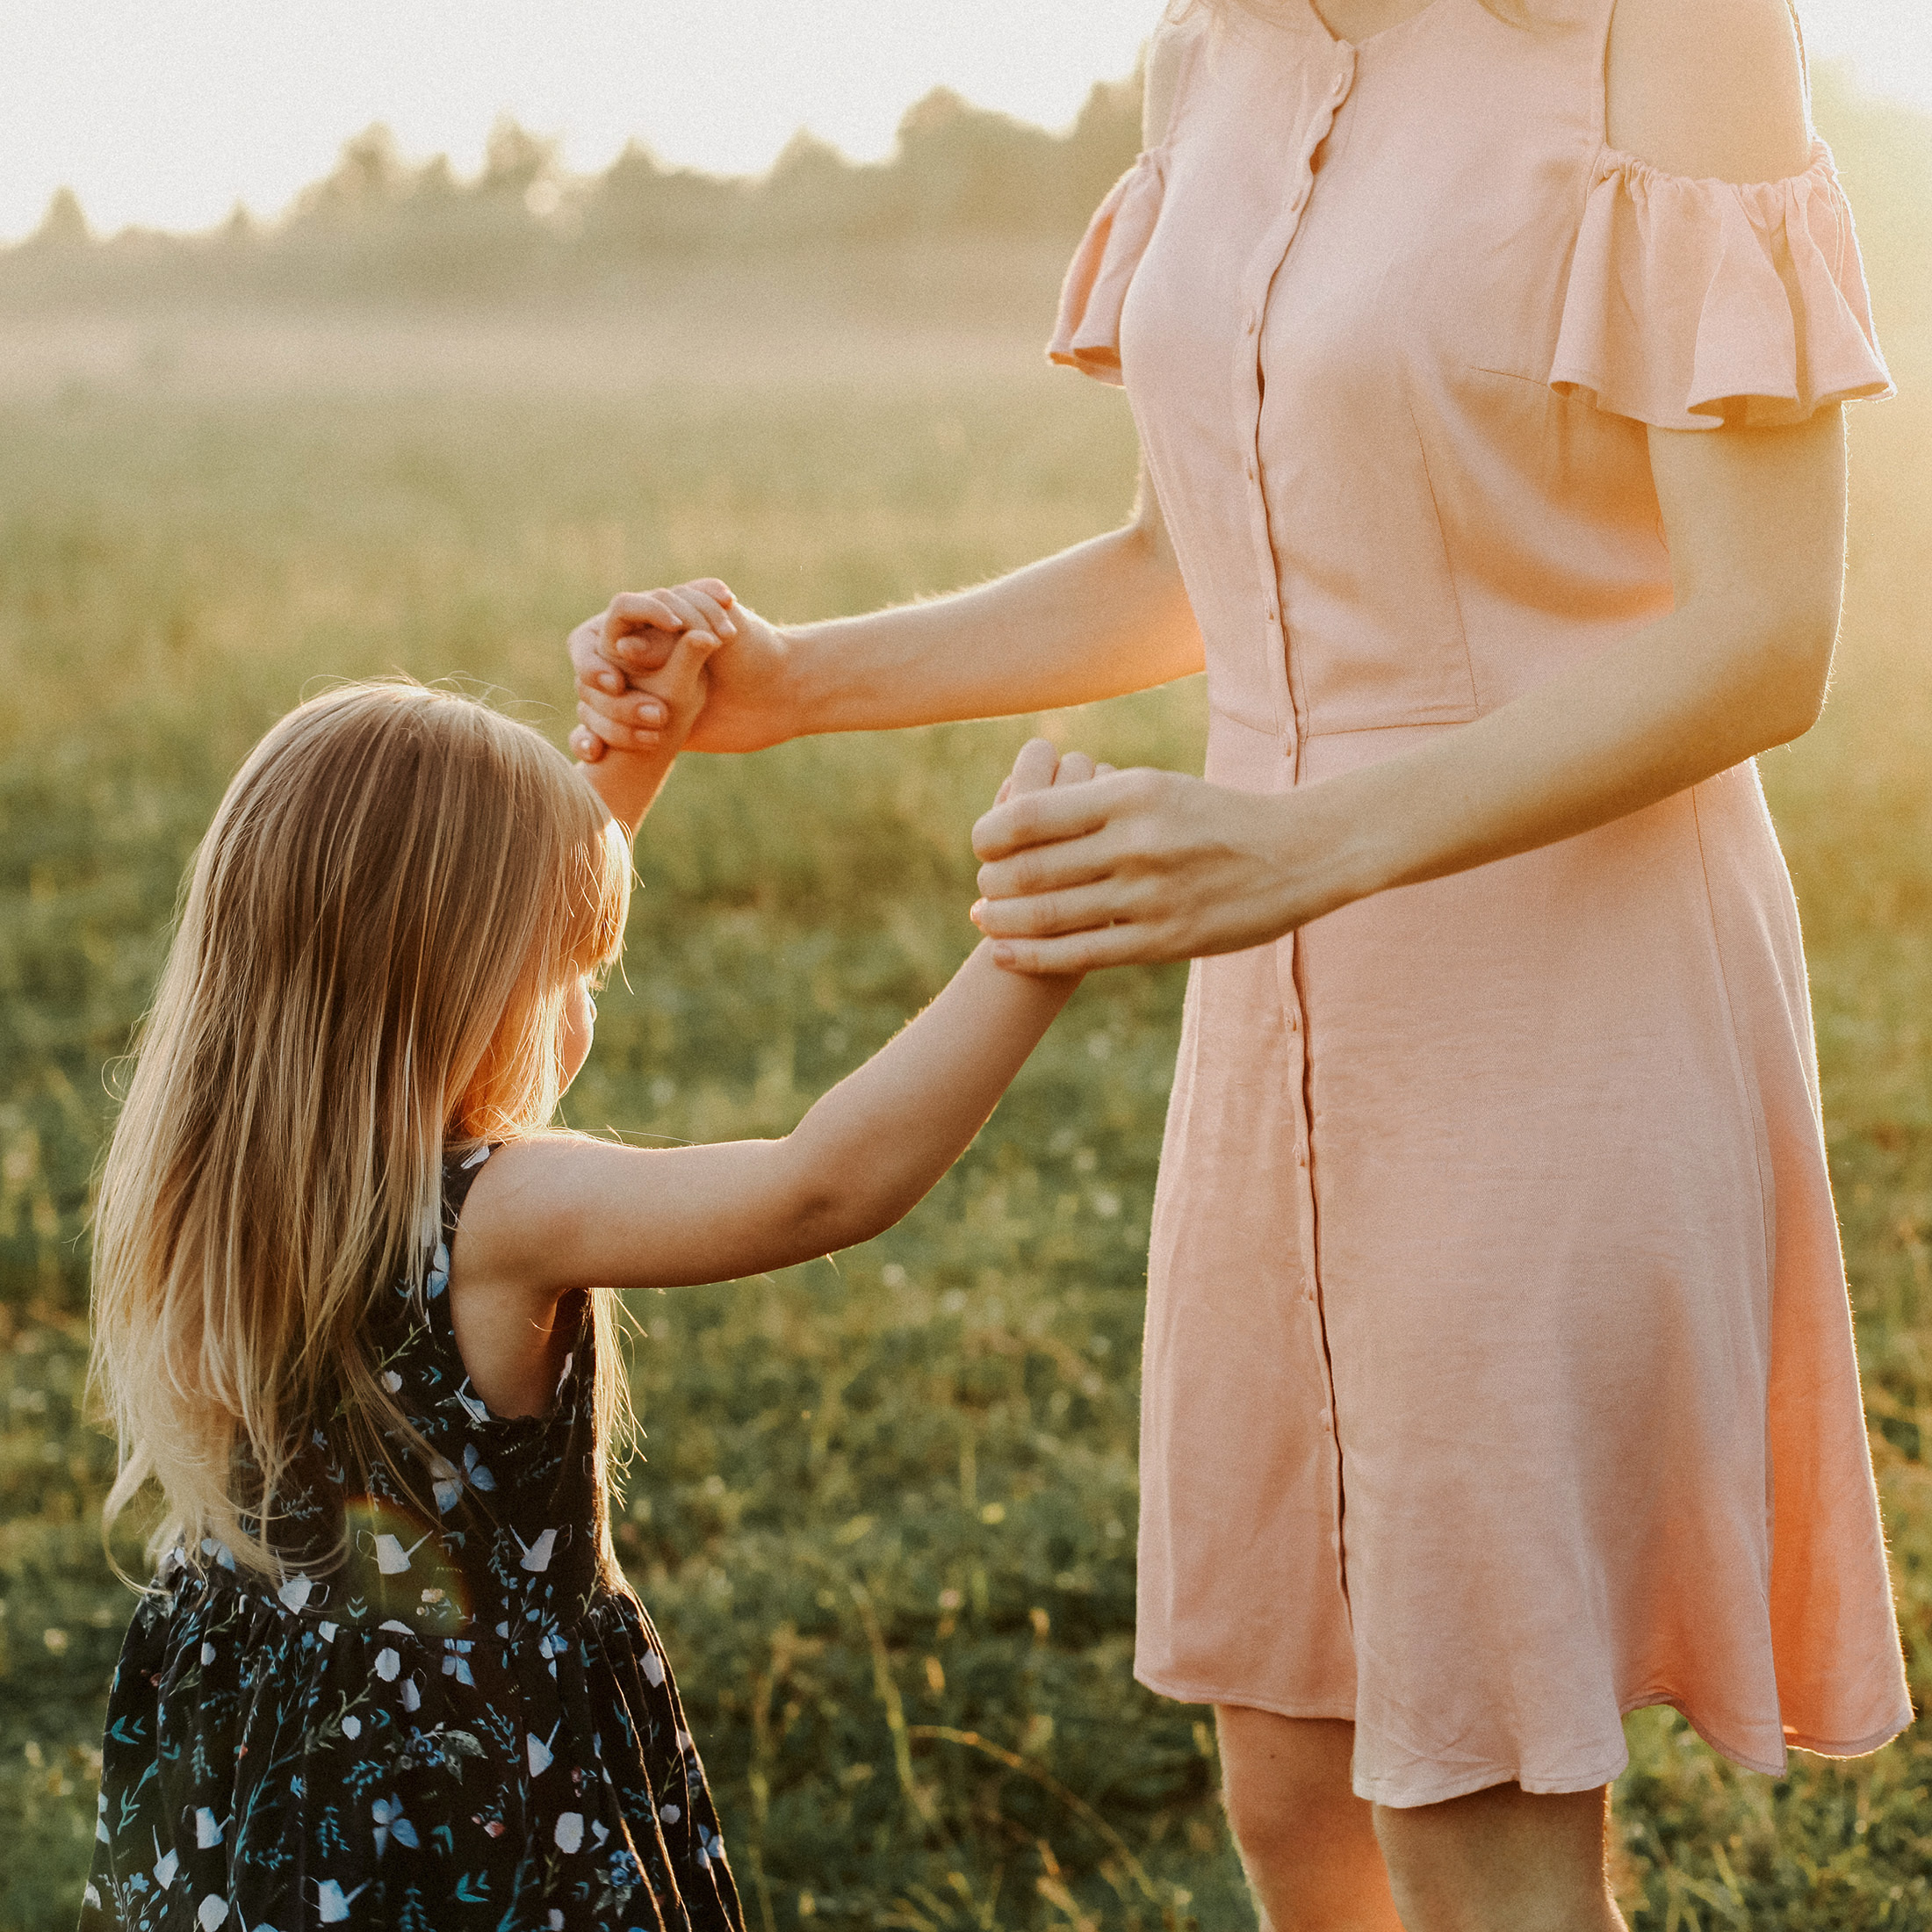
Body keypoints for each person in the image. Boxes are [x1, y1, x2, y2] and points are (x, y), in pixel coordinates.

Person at [568, 0, 1911, 1924]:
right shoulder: (1208, 51)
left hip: (1559, 975)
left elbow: (1763, 637)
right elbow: (1185, 556)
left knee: (1471, 1782)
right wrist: (787, 687)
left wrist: (1302, 845)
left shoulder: (1672, 30)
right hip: (1269, 989)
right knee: (1290, 1774)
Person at [81, 618, 1099, 1932]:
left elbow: (435, 928)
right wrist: (1039, 938)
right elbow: (822, 1182)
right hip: (484, 1796)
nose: (586, 1009)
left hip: (262, 1785)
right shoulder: (503, 1217)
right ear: (462, 988)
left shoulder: (225, 1169)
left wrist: (637, 756)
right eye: (571, 971)